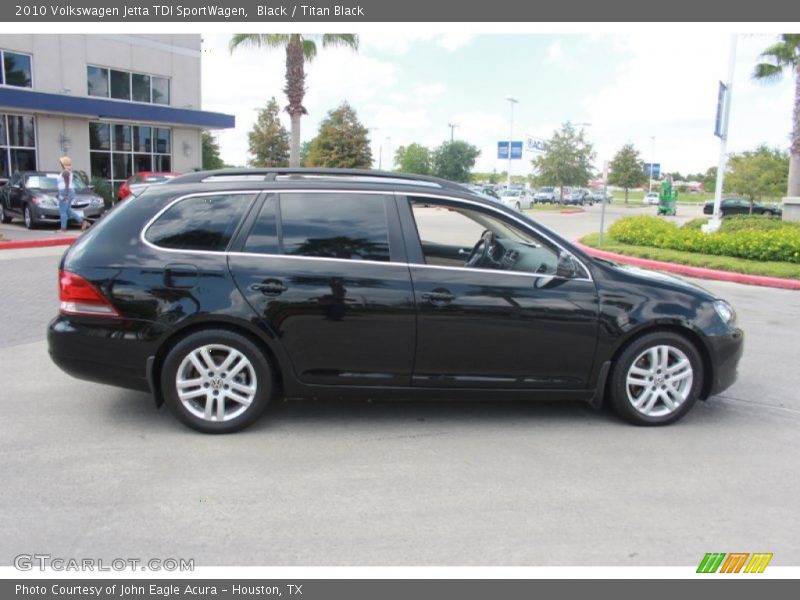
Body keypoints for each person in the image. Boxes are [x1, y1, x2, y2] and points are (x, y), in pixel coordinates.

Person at [56, 156, 89, 233]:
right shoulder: (67, 172)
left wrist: (65, 195)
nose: (60, 164)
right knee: (68, 210)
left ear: (64, 163)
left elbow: (67, 184)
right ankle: (83, 222)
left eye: (61, 163)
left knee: (62, 210)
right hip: (66, 191)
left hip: (65, 192)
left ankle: (63, 228)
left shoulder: (65, 172)